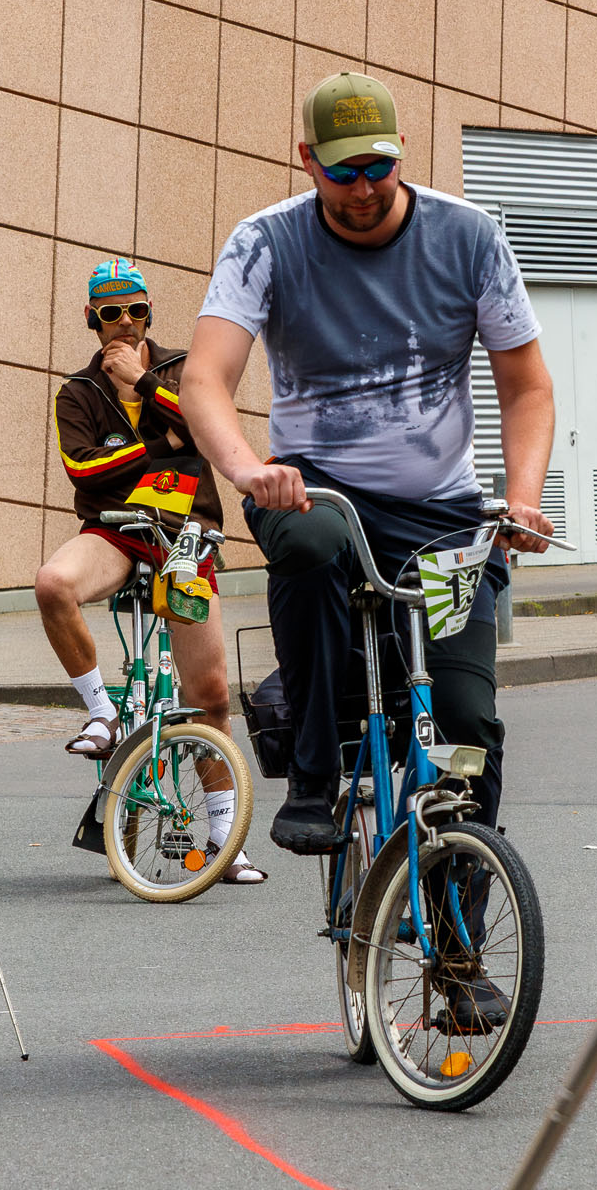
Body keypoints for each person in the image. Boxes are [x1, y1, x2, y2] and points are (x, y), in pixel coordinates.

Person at [179, 70, 555, 866]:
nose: (362, 188)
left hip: (441, 510)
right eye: (342, 171)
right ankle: (313, 774)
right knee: (310, 543)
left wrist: (522, 499)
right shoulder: (266, 241)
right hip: (311, 486)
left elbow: (525, 384)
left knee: (466, 725)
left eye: (377, 167)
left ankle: (463, 959)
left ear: (400, 152)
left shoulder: (469, 236)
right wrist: (248, 469)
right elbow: (205, 376)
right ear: (308, 160)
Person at [35, 258, 264, 884]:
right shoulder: (76, 392)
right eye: (111, 313)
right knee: (53, 583)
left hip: (186, 535)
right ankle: (102, 712)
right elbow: (83, 470)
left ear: (149, 313)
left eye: (136, 310)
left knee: (209, 695)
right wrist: (158, 447)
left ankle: (226, 837)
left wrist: (144, 384)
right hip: (114, 530)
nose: (125, 323)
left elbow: (208, 430)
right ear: (92, 319)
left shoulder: (181, 370)